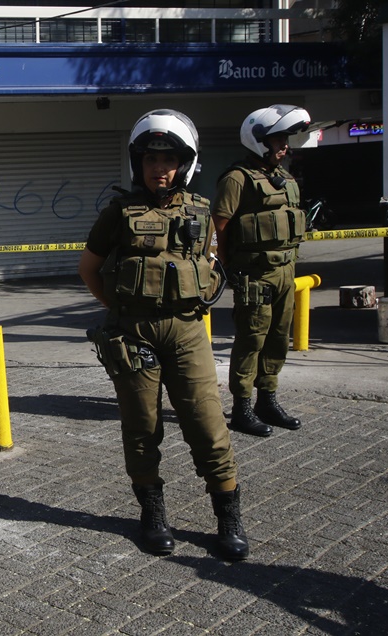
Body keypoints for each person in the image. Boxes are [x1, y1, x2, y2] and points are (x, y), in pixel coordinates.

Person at [79, 110, 248, 561]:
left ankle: (228, 516)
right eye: (152, 159)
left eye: (169, 159)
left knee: (208, 427)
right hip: (135, 333)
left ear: (185, 163)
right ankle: (153, 514)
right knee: (142, 428)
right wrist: (118, 308)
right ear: (139, 163)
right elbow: (89, 269)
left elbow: (212, 263)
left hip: (189, 332)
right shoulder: (118, 213)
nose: (160, 168)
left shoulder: (201, 210)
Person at [213, 105, 312, 438]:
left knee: (278, 338)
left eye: (285, 139)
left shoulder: (283, 177)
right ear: (258, 141)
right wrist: (225, 269)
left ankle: (267, 400)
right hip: (254, 275)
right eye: (277, 139)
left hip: (285, 272)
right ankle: (241, 407)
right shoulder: (237, 178)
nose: (284, 145)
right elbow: (220, 228)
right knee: (251, 338)